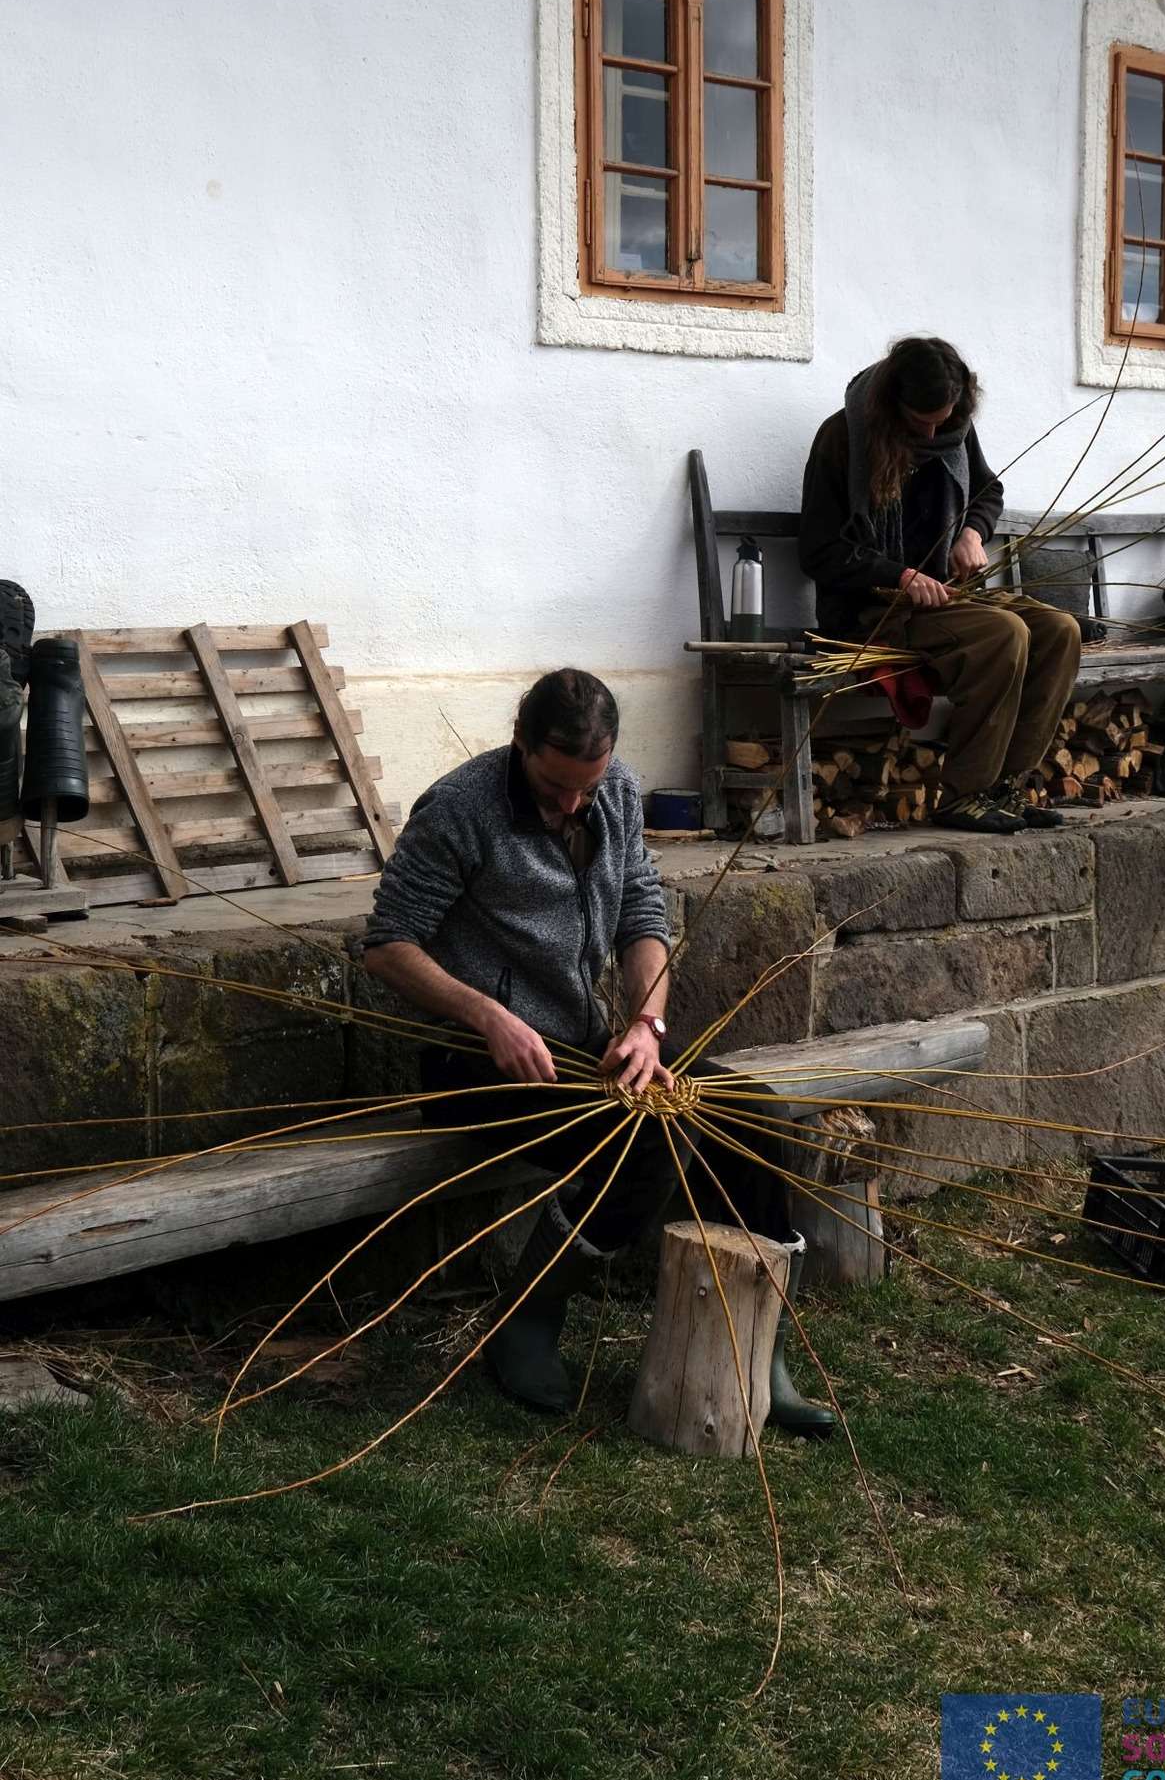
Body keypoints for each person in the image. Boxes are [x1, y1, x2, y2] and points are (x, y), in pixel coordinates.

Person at [362, 668, 832, 1435]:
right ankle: (526, 1317)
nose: (573, 804)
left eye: (589, 785)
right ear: (519, 743)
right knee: (642, 1136)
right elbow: (387, 945)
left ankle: (757, 1344)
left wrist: (646, 1025)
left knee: (750, 1114)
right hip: (474, 1063)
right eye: (554, 788)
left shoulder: (614, 793)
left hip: (583, 1050)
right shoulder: (459, 809)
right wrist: (489, 1016)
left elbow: (642, 915)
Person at [799, 335, 1082, 835]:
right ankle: (964, 796)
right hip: (875, 609)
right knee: (1004, 633)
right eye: (920, 421)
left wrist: (972, 533)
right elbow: (820, 552)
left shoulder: (955, 429)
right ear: (892, 404)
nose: (933, 431)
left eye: (943, 418)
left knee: (1060, 629)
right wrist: (900, 576)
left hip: (950, 597)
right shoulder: (844, 438)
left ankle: (1006, 789)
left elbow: (987, 490)